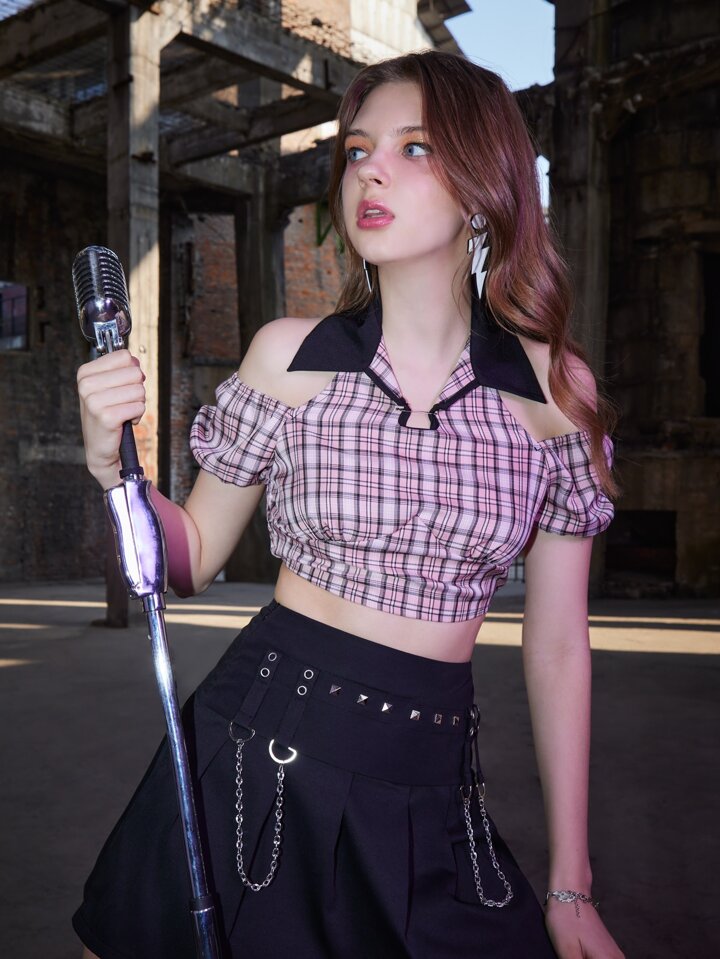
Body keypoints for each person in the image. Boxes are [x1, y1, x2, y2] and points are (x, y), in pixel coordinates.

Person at [73, 50, 624, 959]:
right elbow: (191, 556)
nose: (369, 169)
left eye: (415, 147)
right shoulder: (289, 357)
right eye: (358, 149)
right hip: (255, 747)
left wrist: (572, 883)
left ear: (486, 186)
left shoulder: (555, 393)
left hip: (431, 776)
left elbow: (560, 643)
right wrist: (113, 469)